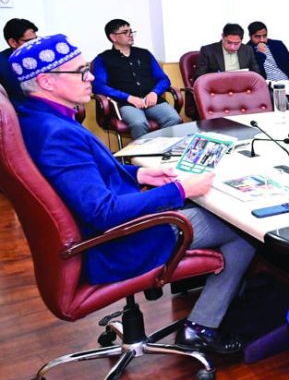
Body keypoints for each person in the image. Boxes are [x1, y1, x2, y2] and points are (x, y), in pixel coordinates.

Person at [10, 34, 255, 354]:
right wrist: (180, 189)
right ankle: (202, 326)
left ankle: (228, 299)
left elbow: (89, 174)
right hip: (118, 242)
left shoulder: (37, 118)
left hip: (104, 233)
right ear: (46, 81)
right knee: (241, 228)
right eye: (81, 71)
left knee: (207, 209)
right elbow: (103, 212)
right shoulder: (57, 134)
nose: (91, 78)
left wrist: (139, 174)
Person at [91, 19, 182, 139]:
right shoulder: (103, 58)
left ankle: (163, 148)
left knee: (174, 118)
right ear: (113, 37)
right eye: (125, 32)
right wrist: (128, 97)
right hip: (126, 103)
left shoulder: (144, 54)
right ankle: (143, 151)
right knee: (139, 123)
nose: (130, 35)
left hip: (152, 100)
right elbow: (98, 86)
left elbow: (164, 79)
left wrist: (154, 93)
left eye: (131, 31)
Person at [248, 21, 289, 105]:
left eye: (264, 36)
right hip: (270, 87)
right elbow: (258, 73)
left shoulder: (277, 45)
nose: (262, 40)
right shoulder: (248, 50)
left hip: (287, 84)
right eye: (257, 37)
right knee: (283, 102)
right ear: (250, 36)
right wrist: (260, 54)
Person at [196, 23, 261, 78]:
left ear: (241, 40)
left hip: (242, 85)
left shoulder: (248, 50)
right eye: (229, 43)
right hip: (218, 86)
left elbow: (256, 74)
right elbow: (199, 77)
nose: (232, 47)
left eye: (236, 44)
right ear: (222, 37)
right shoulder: (208, 51)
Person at [1, 18, 39, 103]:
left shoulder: (44, 54)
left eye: (36, 40)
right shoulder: (2, 65)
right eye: (29, 41)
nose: (35, 44)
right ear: (13, 42)